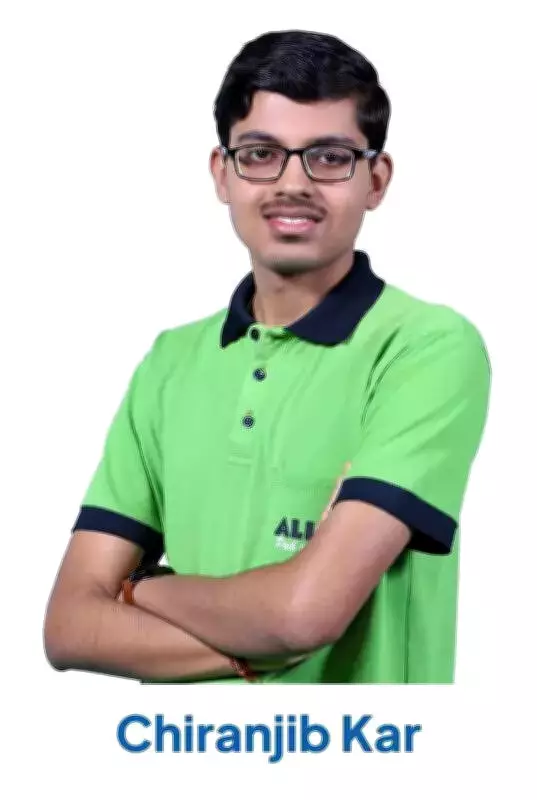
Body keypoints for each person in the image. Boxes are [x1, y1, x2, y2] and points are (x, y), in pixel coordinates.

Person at [44, 29, 491, 684]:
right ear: (221, 173)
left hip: (369, 743)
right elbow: (68, 627)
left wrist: (143, 588)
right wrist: (268, 635)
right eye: (260, 154)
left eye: (330, 157)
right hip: (181, 746)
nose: (292, 183)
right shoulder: (171, 361)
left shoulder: (424, 348)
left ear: (376, 180)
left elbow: (302, 618)